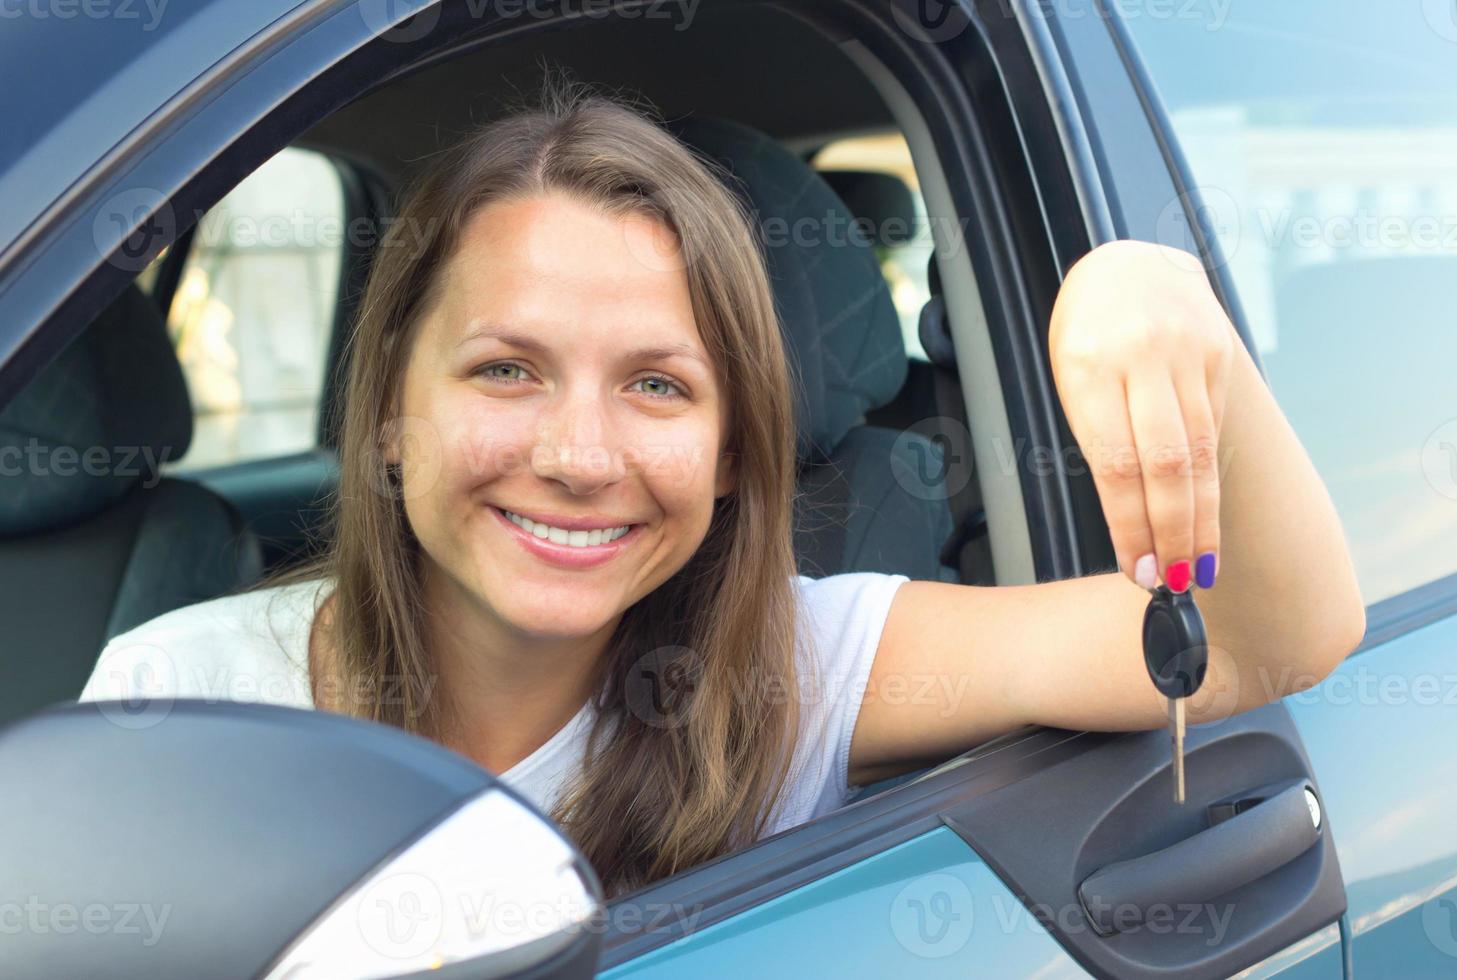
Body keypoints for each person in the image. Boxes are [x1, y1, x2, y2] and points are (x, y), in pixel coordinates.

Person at [79, 82, 1366, 898]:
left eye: (657, 386)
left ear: (735, 452)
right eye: (507, 367)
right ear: (390, 418)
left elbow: (1264, 632)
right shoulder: (172, 698)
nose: (580, 455)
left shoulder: (797, 662)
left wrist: (1148, 295)